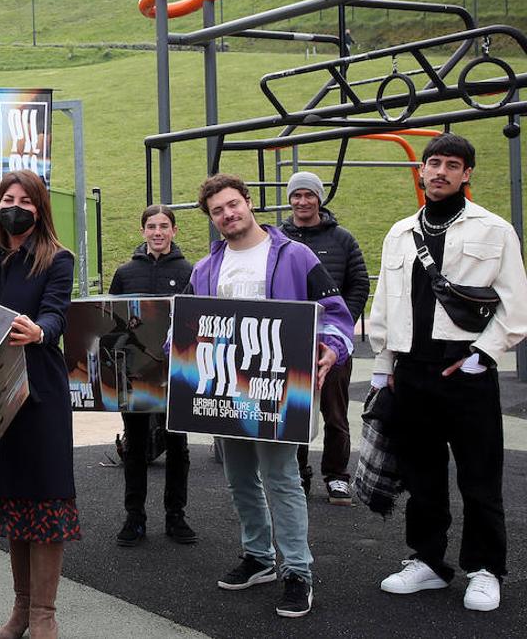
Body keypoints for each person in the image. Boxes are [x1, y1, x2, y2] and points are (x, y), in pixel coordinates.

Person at [368, 134, 527, 613]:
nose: (439, 172)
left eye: (451, 165)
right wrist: (382, 367)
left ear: (466, 174)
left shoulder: (495, 230)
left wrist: (483, 356)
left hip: (466, 371)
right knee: (423, 476)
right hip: (411, 371)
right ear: (421, 170)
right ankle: (428, 562)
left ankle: (485, 569)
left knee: (480, 477)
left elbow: (515, 306)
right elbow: (385, 306)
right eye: (433, 163)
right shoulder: (399, 232)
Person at [188, 173, 353, 619]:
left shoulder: (295, 256)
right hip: (224, 390)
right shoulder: (204, 269)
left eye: (233, 204)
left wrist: (332, 348)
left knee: (281, 477)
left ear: (248, 202)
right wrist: (173, 355)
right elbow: (183, 328)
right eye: (217, 210)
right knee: (239, 478)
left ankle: (298, 571)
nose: (228, 214)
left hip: (278, 389)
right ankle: (258, 556)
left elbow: (335, 314)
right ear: (212, 219)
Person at [0, 170, 75, 639]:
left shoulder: (57, 258)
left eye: (25, 200)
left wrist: (41, 330)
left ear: (40, 208)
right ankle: (21, 612)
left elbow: (57, 310)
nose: (16, 206)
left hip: (40, 394)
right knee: (13, 504)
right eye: (8, 198)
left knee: (45, 501)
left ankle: (44, 617)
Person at [281, 171, 370, 505]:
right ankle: (298, 473)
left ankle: (336, 475)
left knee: (335, 411)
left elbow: (359, 282)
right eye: (296, 196)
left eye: (309, 195)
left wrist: (341, 324)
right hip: (291, 339)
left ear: (320, 198)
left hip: (329, 343)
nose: (303, 202)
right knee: (294, 410)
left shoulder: (341, 239)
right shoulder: (277, 238)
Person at [109, 204, 195, 547]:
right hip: (136, 374)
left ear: (174, 231)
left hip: (177, 374)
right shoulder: (125, 272)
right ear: (143, 231)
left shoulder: (192, 271)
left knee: (178, 445)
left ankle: (176, 516)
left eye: (164, 226)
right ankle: (135, 517)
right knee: (135, 445)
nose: (157, 232)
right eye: (151, 226)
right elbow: (111, 319)